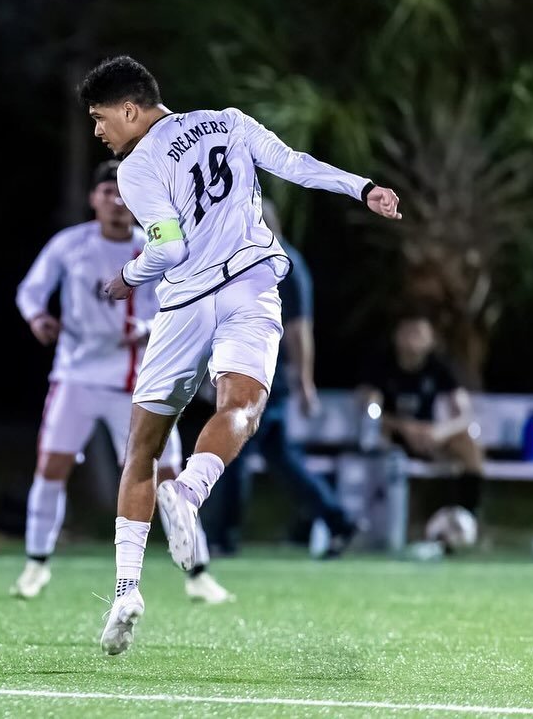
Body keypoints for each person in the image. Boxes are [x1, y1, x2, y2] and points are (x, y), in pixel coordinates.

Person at [78, 54, 401, 655]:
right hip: (251, 286)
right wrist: (363, 188)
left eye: (101, 119)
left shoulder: (139, 165)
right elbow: (295, 166)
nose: (99, 132)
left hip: (183, 306)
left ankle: (126, 589)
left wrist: (128, 274)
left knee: (143, 447)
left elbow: (168, 250)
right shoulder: (228, 121)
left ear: (129, 109)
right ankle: (191, 492)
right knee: (244, 409)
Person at [13, 160, 233, 605]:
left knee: (167, 473)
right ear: (93, 199)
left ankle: (198, 573)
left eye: (123, 194)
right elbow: (30, 290)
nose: (116, 202)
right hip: (75, 375)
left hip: (137, 380)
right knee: (51, 467)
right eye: (107, 193)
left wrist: (148, 328)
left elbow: (184, 302)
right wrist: (37, 317)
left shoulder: (158, 246)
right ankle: (35, 565)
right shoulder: (70, 245)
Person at [203, 199, 357, 558]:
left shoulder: (282, 265)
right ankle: (338, 521)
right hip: (250, 370)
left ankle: (223, 536)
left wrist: (305, 383)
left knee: (233, 452)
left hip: (266, 375)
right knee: (281, 459)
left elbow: (299, 330)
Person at [357, 308, 484, 526]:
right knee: (381, 438)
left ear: (430, 339)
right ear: (397, 335)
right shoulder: (381, 364)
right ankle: (378, 523)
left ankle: (467, 518)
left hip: (428, 437)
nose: (412, 340)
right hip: (393, 436)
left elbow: (464, 413)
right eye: (408, 332)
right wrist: (404, 427)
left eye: (419, 333)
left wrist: (439, 431)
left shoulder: (439, 366)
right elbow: (369, 408)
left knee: (468, 447)